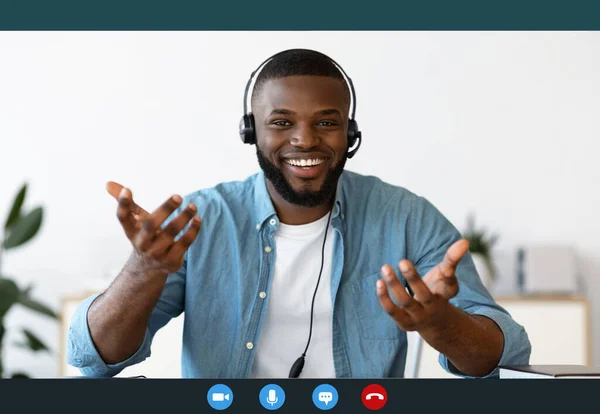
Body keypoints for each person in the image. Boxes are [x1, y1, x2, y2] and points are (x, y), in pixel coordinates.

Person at [67, 48, 531, 379]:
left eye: (326, 122)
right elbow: (93, 357)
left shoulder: (406, 217)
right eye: (281, 122)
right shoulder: (202, 219)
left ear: (350, 133)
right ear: (252, 131)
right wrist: (142, 270)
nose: (305, 140)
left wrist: (438, 321)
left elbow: (505, 354)